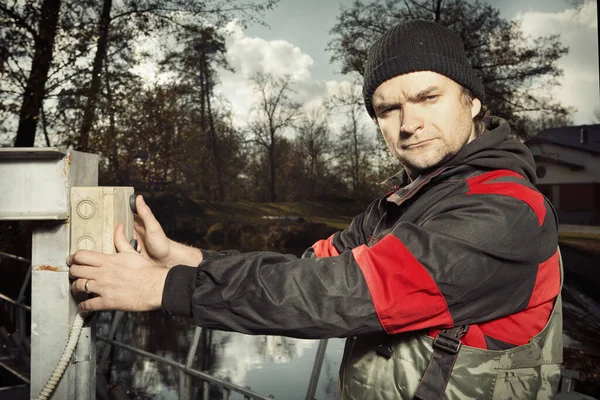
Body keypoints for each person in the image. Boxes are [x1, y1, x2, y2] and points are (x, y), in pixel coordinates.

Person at [68, 20, 563, 399]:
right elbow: (305, 273)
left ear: (472, 101)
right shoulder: (396, 206)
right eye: (387, 109)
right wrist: (187, 260)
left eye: (427, 97)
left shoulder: (506, 210)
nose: (408, 123)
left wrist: (166, 287)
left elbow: (344, 293)